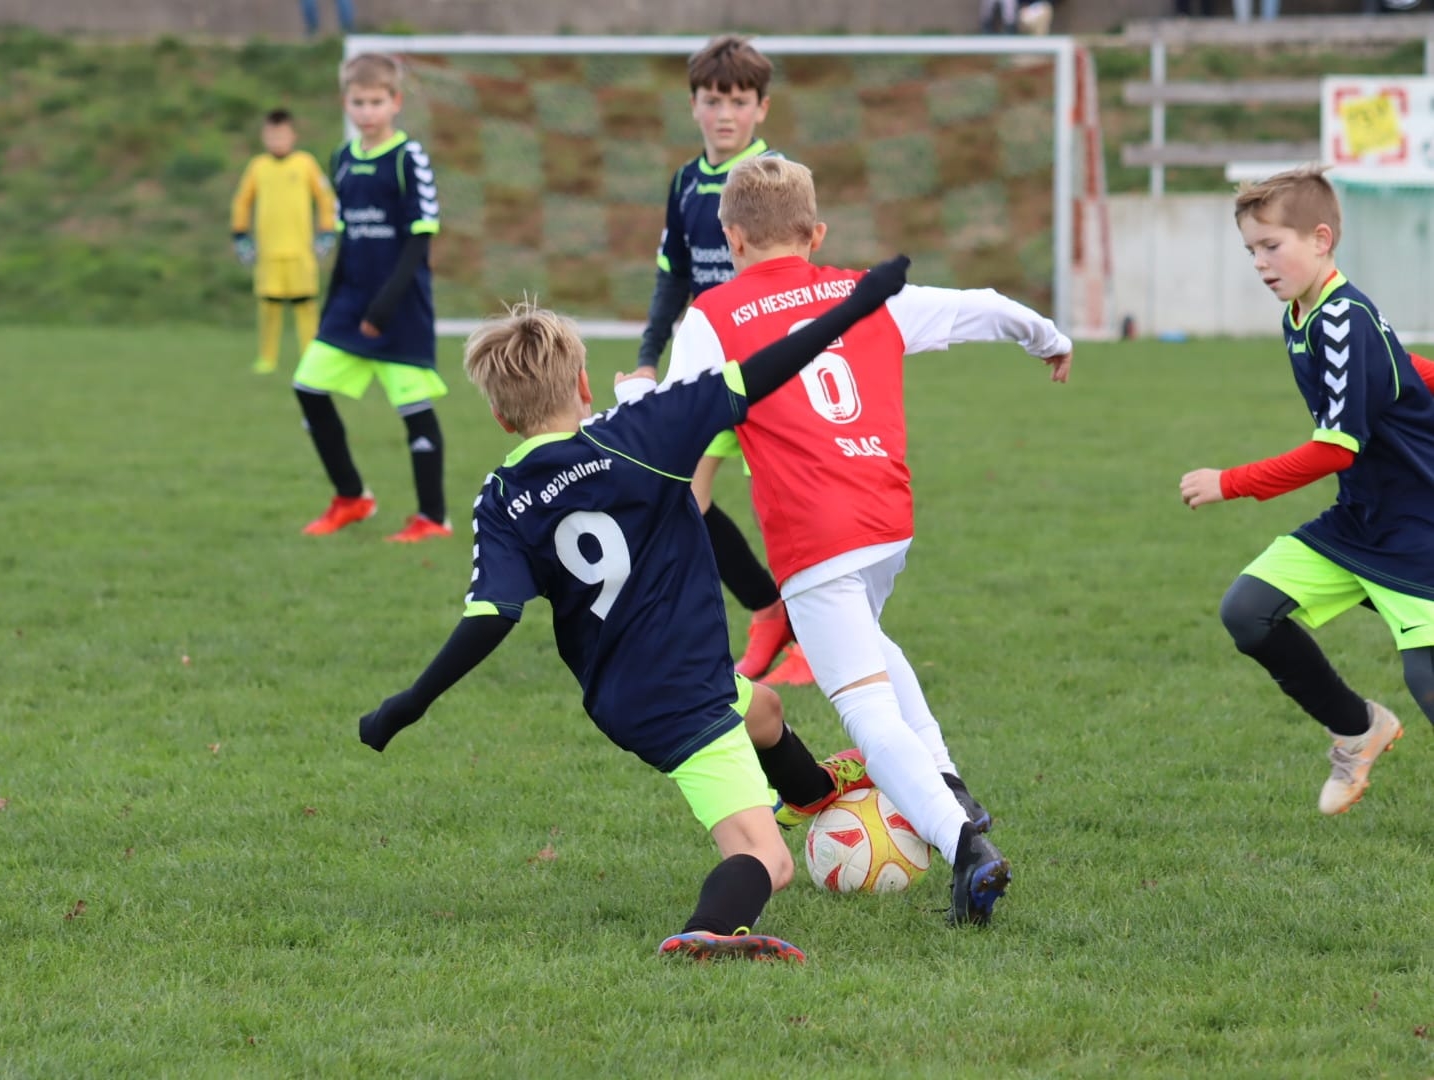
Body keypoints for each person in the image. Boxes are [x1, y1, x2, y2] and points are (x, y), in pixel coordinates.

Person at [358, 259, 913, 960]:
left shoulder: (502, 497)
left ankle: (810, 791)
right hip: (683, 694)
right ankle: (711, 930)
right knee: (765, 859)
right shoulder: (644, 430)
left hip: (621, 693)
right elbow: (764, 369)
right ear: (585, 385)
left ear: (501, 416)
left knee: (765, 709)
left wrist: (407, 704)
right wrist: (859, 303)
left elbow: (491, 615)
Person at [626, 156, 1078, 925]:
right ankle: (945, 778)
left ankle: (965, 845)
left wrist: (633, 403)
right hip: (886, 520)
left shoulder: (714, 314)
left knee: (866, 714)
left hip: (814, 536)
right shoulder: (865, 292)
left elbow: (678, 423)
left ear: (731, 239)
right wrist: (1049, 337)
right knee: (869, 641)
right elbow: (982, 306)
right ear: (816, 233)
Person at [1180, 166, 1434, 815]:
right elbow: (1399, 369)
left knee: (1426, 679)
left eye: (1272, 245)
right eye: (1251, 250)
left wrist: (1229, 482)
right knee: (1248, 612)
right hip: (1359, 520)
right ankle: (1358, 730)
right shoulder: (1305, 313)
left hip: (1418, 530)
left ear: (1321, 239)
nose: (1260, 263)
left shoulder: (1342, 316)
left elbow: (1334, 449)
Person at [630, 34, 812, 688]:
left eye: (738, 101)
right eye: (713, 100)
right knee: (683, 493)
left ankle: (811, 639)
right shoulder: (685, 182)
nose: (725, 114)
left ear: (762, 108)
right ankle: (768, 610)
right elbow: (673, 278)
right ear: (694, 105)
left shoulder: (776, 177)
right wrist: (648, 358)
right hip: (709, 367)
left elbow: (800, 272)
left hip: (772, 366)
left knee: (786, 509)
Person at [296, 54, 450, 543]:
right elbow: (348, 239)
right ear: (346, 102)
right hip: (349, 305)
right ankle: (352, 497)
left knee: (413, 408)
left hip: (399, 307)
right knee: (308, 387)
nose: (367, 111)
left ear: (395, 102)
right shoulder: (341, 159)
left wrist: (384, 307)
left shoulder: (408, 158)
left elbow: (420, 238)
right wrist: (332, 307)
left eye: (376, 102)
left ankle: (433, 518)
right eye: (359, 102)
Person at [229, 109, 339, 377]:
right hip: (268, 252)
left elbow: (325, 198)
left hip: (301, 251)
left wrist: (326, 231)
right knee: (269, 306)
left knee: (306, 305)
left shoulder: (305, 164)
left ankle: (310, 358)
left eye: (281, 136)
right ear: (264, 137)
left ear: (293, 136)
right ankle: (267, 358)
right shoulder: (258, 167)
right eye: (271, 136)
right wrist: (240, 235)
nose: (277, 141)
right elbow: (242, 201)